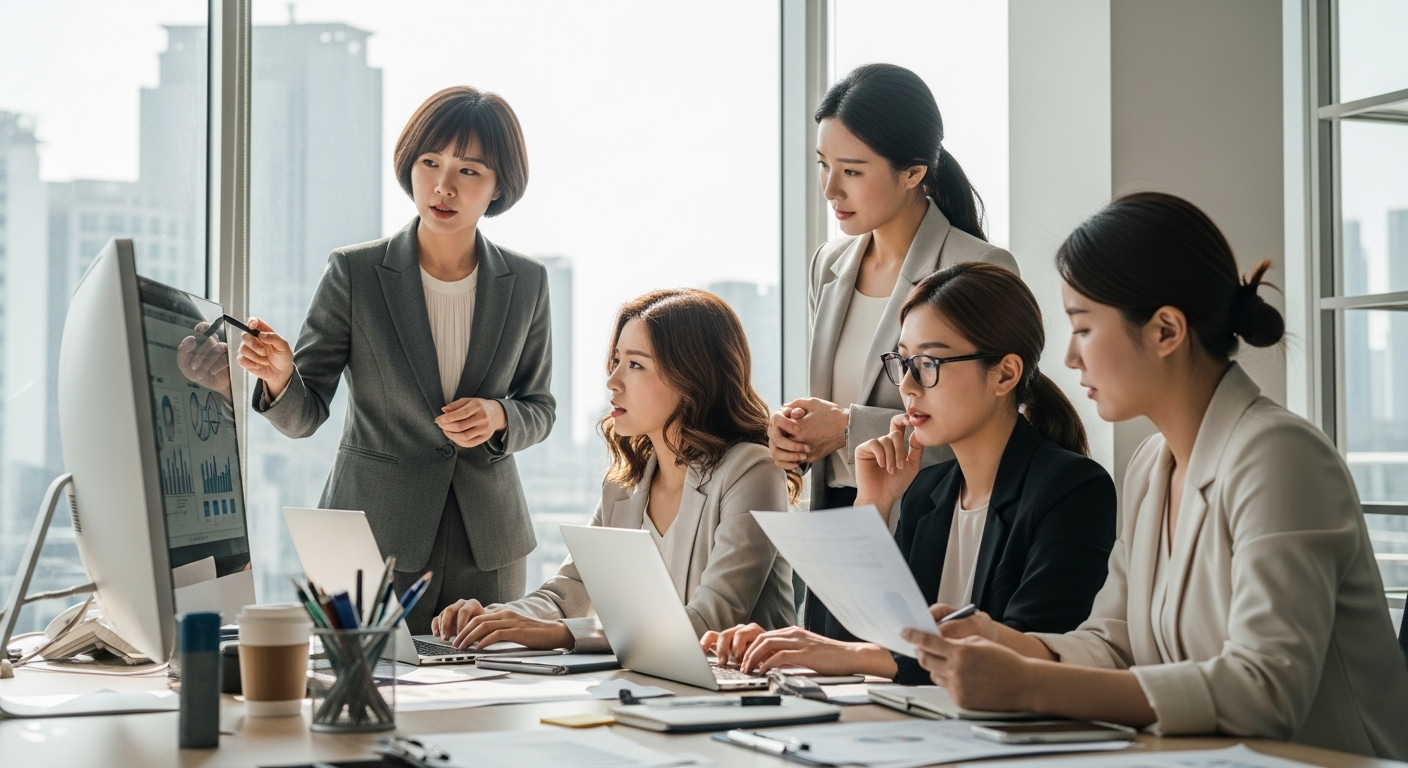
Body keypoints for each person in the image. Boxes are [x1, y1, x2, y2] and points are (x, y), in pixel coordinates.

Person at [904, 192, 1408, 759]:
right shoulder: (1151, 465)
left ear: (1165, 330)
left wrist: (1031, 684)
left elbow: (1266, 691)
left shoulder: (1281, 457)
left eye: (1084, 328)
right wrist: (1011, 646)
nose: (1070, 358)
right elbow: (1113, 641)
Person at [236, 86, 553, 633]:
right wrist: (282, 378)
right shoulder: (355, 273)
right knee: (363, 695)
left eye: (469, 171)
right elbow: (304, 415)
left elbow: (540, 408)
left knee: (479, 701)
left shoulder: (526, 282)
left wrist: (500, 416)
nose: (443, 185)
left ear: (499, 186)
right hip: (371, 535)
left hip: (489, 544)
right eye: (430, 163)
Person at [704, 263, 1115, 682]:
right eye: (903, 362)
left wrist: (850, 655)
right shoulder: (927, 493)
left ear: (1005, 374)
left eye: (929, 362)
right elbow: (844, 639)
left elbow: (1024, 656)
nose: (908, 386)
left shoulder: (1073, 490)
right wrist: (872, 507)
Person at [765, 63, 1019, 634]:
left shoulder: (977, 268)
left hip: (923, 519)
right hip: (837, 518)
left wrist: (848, 428)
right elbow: (836, 396)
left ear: (913, 173)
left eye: (851, 171)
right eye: (824, 167)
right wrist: (797, 433)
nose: (831, 189)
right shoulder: (829, 265)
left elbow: (991, 427)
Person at [430, 289, 799, 652]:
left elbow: (709, 623)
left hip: (745, 696)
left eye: (635, 364)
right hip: (654, 691)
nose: (613, 381)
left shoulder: (752, 471)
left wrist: (561, 633)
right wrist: (496, 618)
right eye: (617, 360)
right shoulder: (624, 485)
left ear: (693, 377)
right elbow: (566, 593)